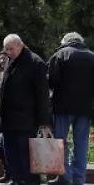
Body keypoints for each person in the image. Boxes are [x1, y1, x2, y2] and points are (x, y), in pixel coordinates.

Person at [0, 34, 50, 185]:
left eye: (11, 49)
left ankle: (29, 181)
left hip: (26, 119)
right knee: (11, 153)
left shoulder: (35, 62)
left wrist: (43, 121)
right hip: (9, 119)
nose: (8, 52)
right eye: (6, 49)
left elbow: (42, 94)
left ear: (20, 46)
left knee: (26, 155)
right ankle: (16, 179)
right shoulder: (12, 61)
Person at [48, 32, 94, 185]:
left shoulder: (61, 54)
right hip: (85, 107)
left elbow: (51, 81)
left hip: (62, 106)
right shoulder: (91, 56)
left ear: (65, 42)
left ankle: (64, 176)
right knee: (81, 143)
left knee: (61, 142)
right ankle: (78, 178)